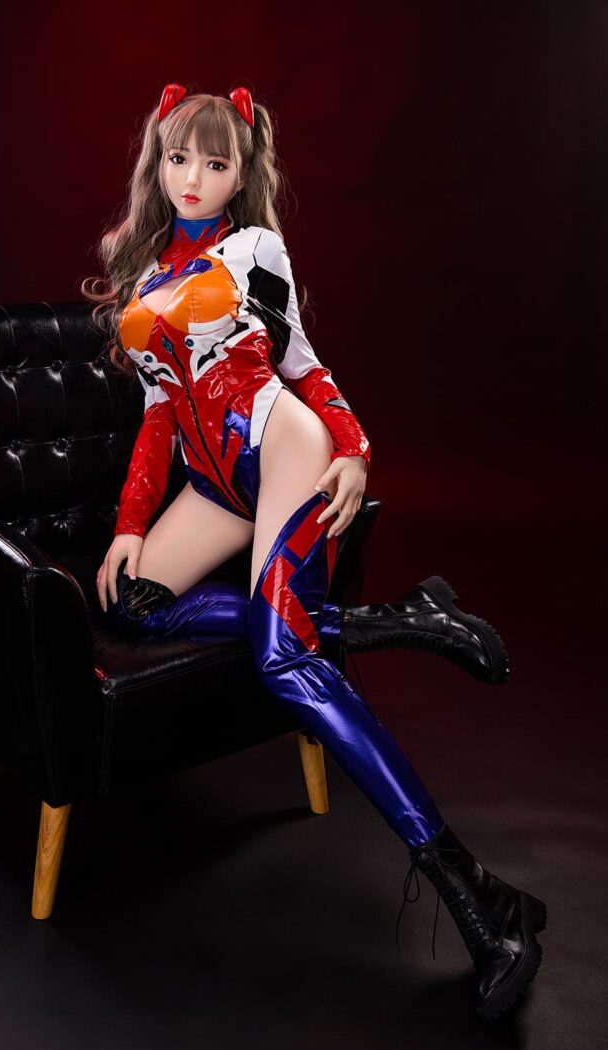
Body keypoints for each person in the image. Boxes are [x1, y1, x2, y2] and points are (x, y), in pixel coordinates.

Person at [82, 83, 546, 1023]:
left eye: (216, 162)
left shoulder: (256, 250)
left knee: (284, 661)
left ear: (241, 172)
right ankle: (398, 619)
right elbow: (160, 416)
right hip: (215, 484)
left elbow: (299, 362)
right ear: (158, 161)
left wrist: (355, 448)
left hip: (280, 445)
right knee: (131, 600)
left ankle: (477, 898)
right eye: (179, 156)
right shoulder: (145, 277)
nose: (193, 177)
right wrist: (131, 525)